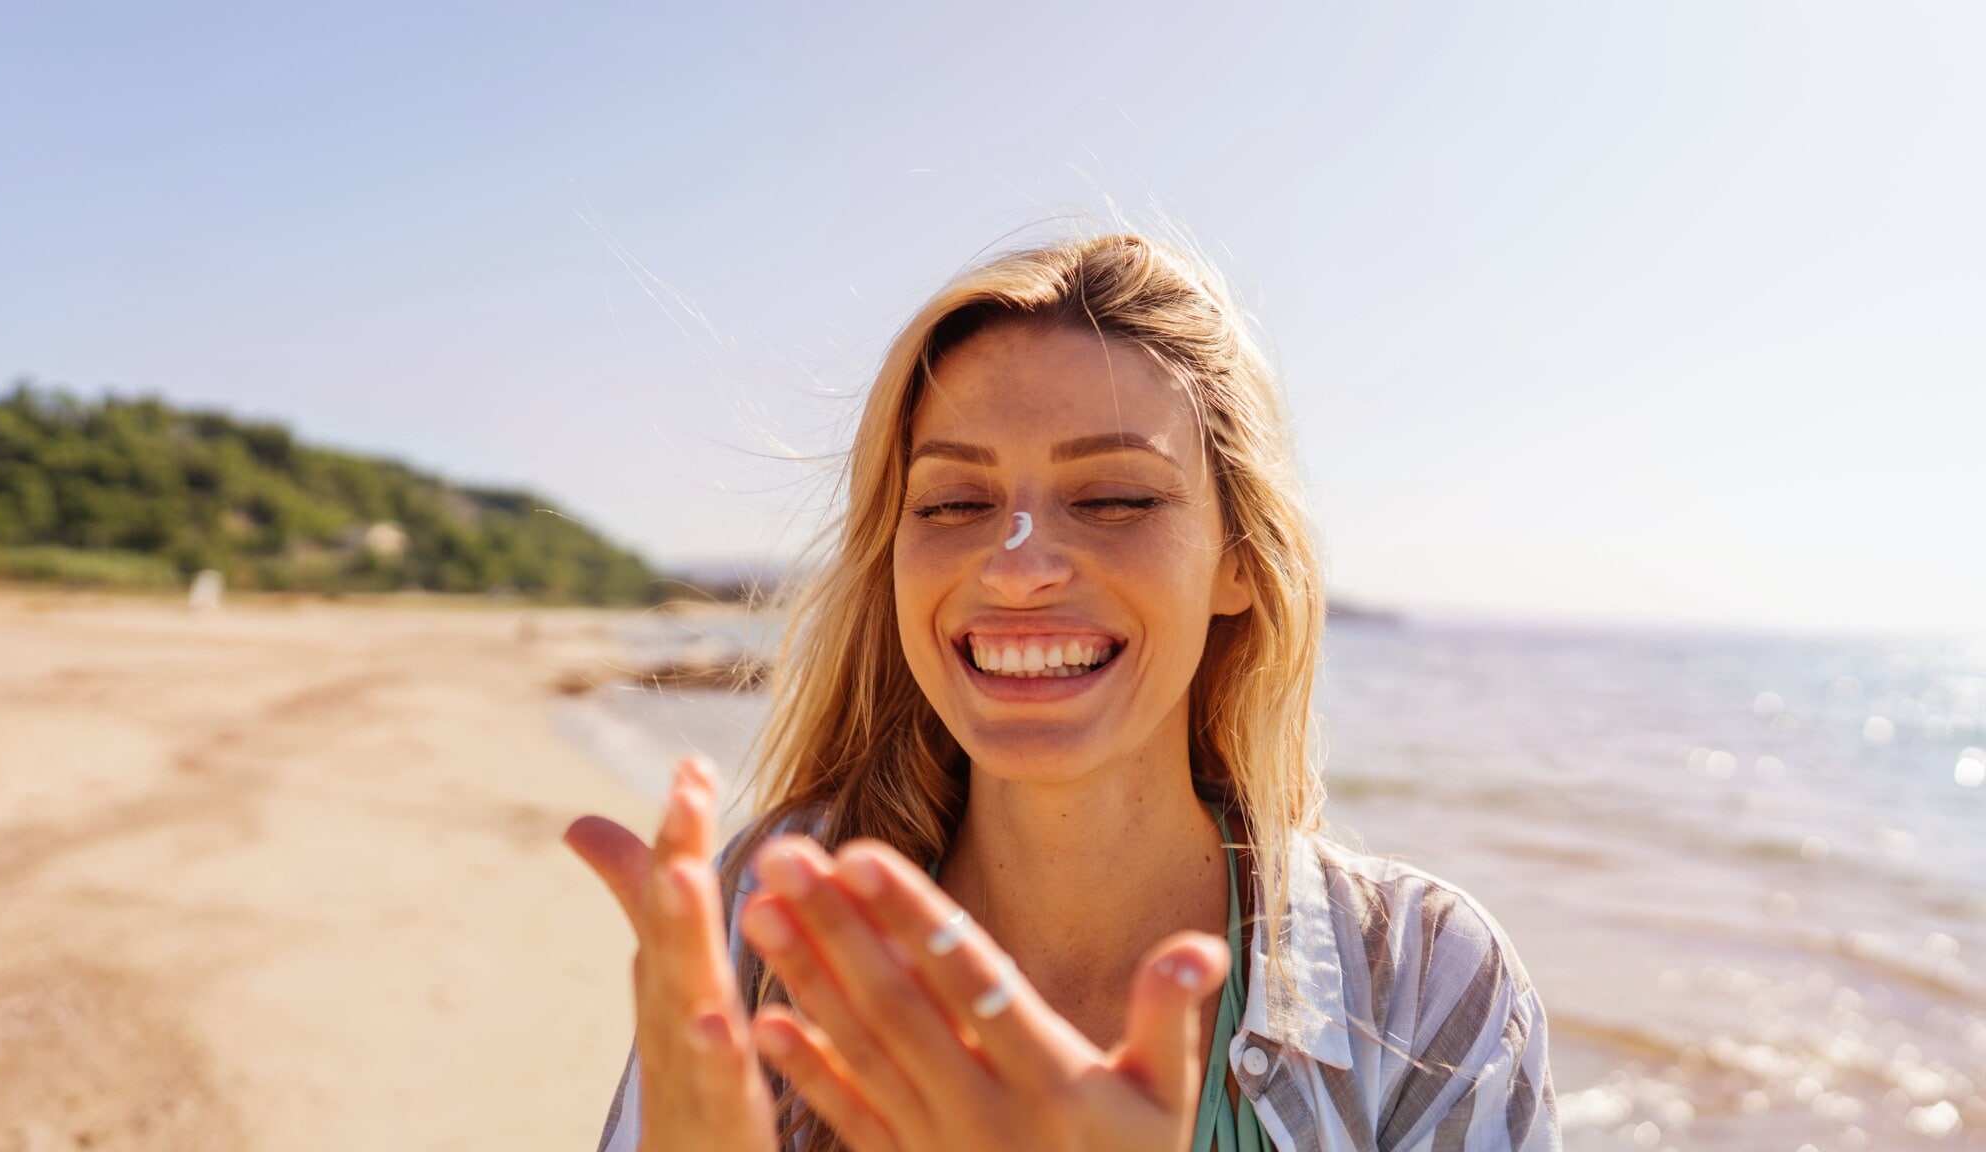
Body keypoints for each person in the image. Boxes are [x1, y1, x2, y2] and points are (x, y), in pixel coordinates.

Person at [565, 231, 1560, 1152]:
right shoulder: (767, 910)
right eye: (955, 503)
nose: (1016, 565)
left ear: (1239, 562)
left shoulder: (1426, 985)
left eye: (1113, 499)